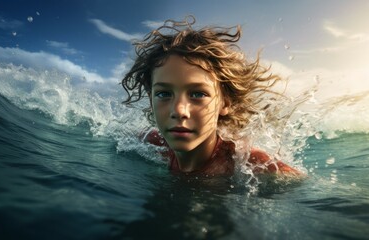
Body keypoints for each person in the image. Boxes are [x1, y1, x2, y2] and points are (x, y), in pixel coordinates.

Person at [121, 16, 302, 177]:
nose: (178, 110)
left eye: (198, 94)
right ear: (151, 99)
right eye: (163, 93)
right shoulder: (152, 142)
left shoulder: (253, 166)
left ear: (225, 102)